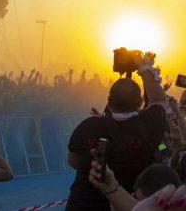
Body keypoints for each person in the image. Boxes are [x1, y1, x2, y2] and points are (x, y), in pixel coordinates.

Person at [66, 56, 168, 211]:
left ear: (109, 100)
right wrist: (142, 67)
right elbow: (159, 99)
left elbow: (73, 161)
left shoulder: (89, 126)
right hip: (126, 204)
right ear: (139, 102)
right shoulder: (150, 124)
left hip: (83, 203)